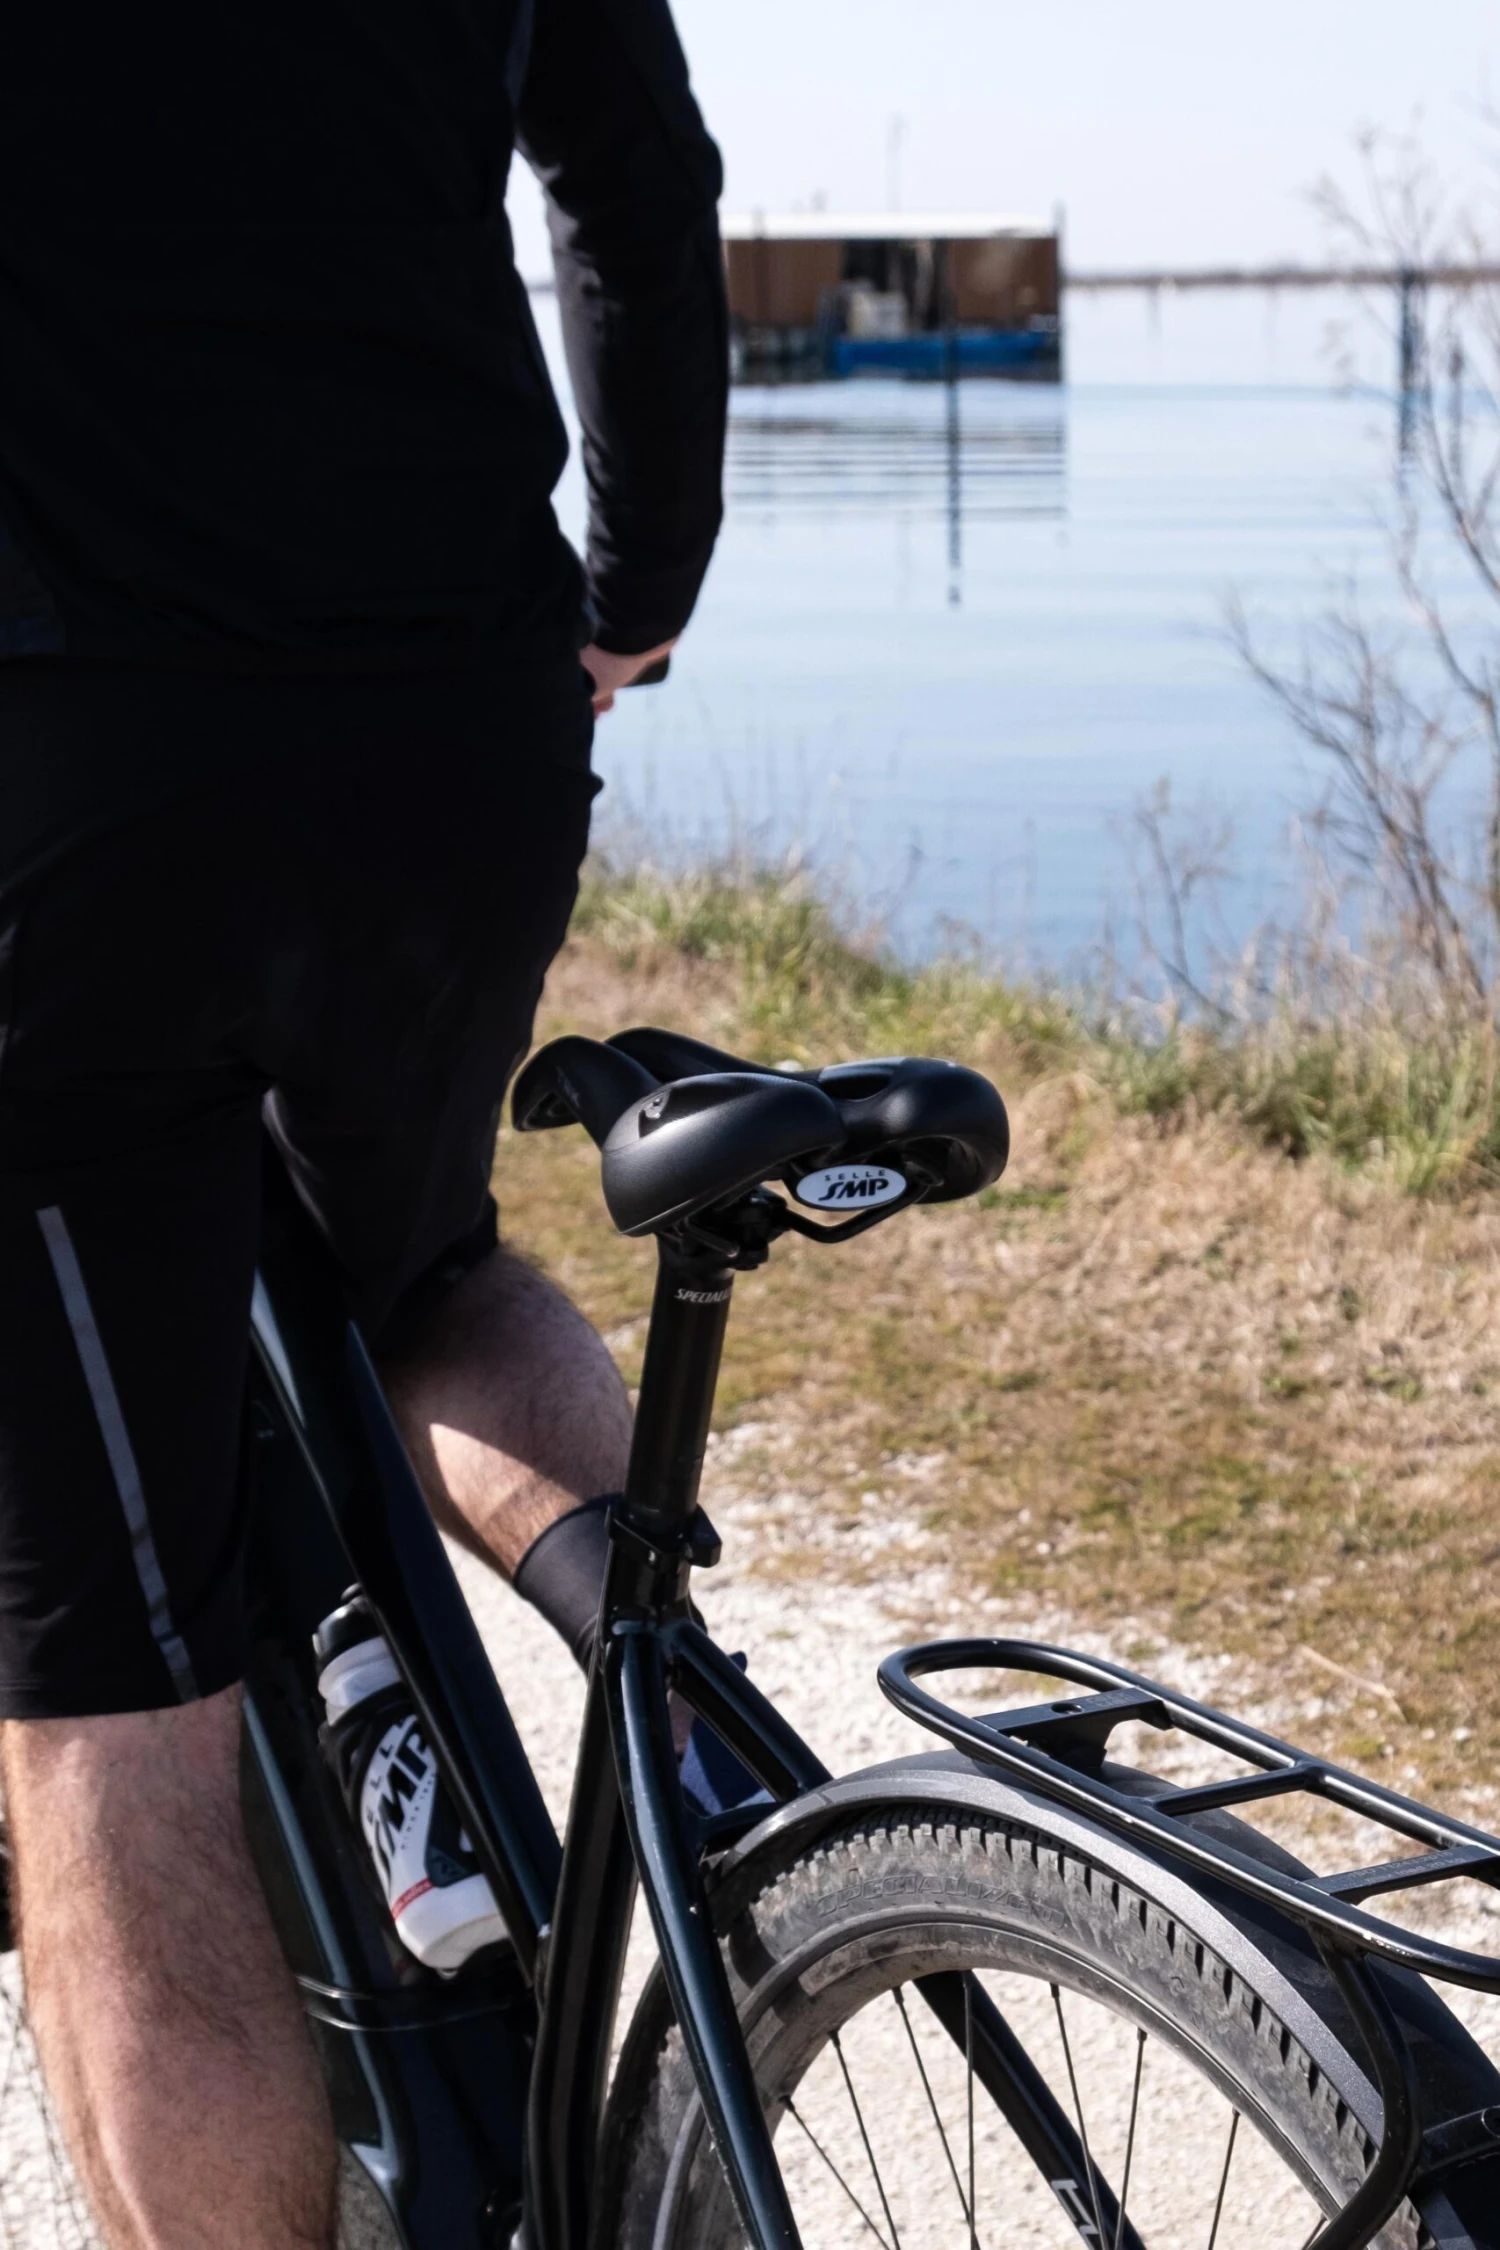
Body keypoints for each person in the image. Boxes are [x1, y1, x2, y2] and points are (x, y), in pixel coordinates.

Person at [0, 0, 726, 2240]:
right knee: (420, 1269)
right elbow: (633, 173)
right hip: (453, 725)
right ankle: (709, 1776)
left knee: (109, 1694)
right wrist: (639, 586)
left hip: (84, 771)